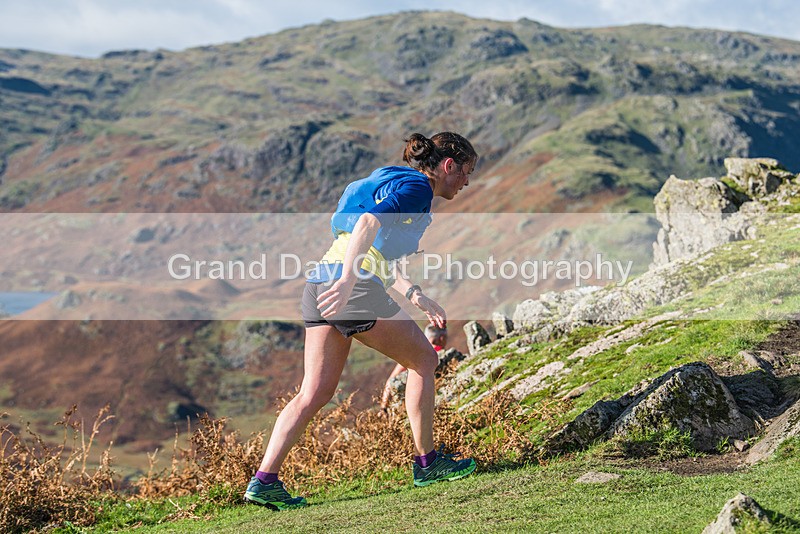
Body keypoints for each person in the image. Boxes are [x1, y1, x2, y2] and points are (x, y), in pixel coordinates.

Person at [244, 132, 478, 510]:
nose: (466, 182)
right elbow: (368, 223)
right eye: (466, 172)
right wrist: (349, 279)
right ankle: (428, 464)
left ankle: (264, 481)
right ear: (449, 166)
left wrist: (413, 293)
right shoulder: (419, 188)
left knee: (314, 393)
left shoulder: (392, 180)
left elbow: (372, 245)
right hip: (350, 287)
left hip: (320, 283)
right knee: (424, 361)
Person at [380, 325, 448, 410]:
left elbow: (391, 381)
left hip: (405, 405)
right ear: (442, 338)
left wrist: (383, 408)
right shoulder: (445, 356)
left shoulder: (413, 354)